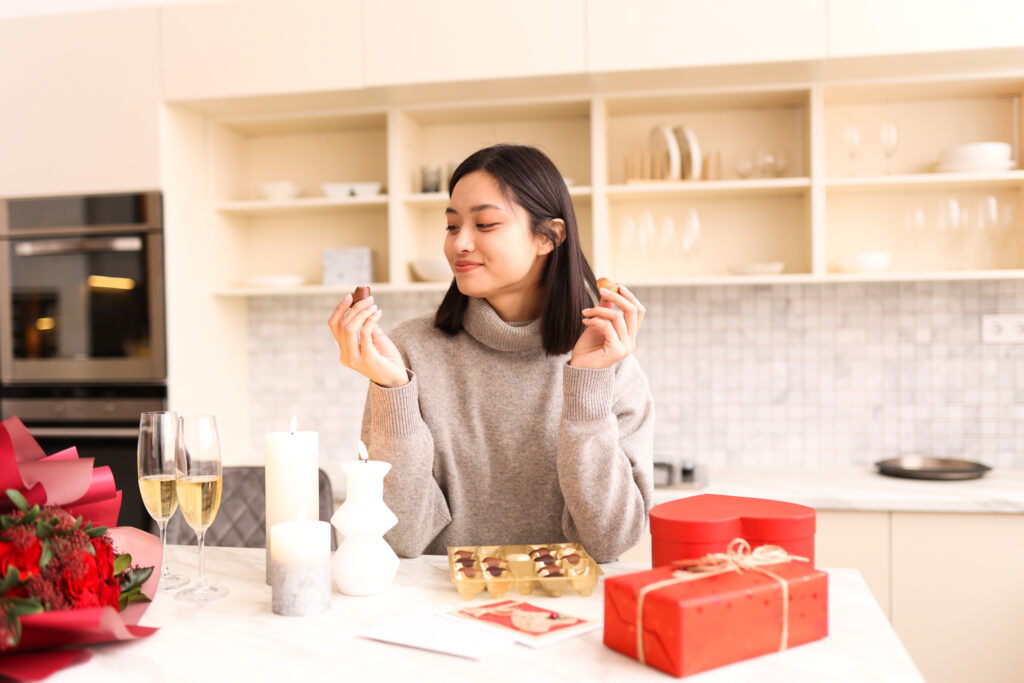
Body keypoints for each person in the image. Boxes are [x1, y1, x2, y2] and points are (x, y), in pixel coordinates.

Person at [328, 144, 654, 563]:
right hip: (437, 601)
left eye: (485, 224)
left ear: (549, 236)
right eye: (452, 226)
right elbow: (399, 538)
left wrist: (588, 390)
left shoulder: (609, 361)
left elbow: (610, 541)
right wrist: (393, 389)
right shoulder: (409, 352)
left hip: (564, 602)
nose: (459, 243)